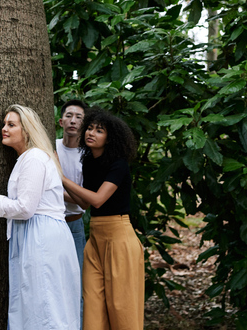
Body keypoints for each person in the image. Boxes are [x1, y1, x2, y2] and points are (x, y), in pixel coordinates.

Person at [0, 104, 80, 330]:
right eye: (4, 124)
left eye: (11, 125)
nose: (4, 129)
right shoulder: (28, 158)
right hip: (36, 234)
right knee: (38, 302)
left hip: (41, 237)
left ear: (26, 130)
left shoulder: (34, 157)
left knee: (44, 304)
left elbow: (25, 208)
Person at [61, 108, 144, 330]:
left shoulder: (119, 165)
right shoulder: (89, 162)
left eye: (99, 130)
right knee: (93, 306)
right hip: (96, 239)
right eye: (89, 128)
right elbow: (84, 203)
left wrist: (62, 178)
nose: (91, 133)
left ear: (110, 137)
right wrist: (52, 189)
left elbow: (97, 199)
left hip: (119, 239)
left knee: (121, 307)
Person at [56, 99, 87, 328]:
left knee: (76, 283)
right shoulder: (51, 147)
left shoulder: (87, 156)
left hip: (74, 224)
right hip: (49, 223)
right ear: (60, 121)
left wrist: (55, 188)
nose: (73, 120)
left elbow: (85, 202)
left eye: (79, 117)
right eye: (69, 115)